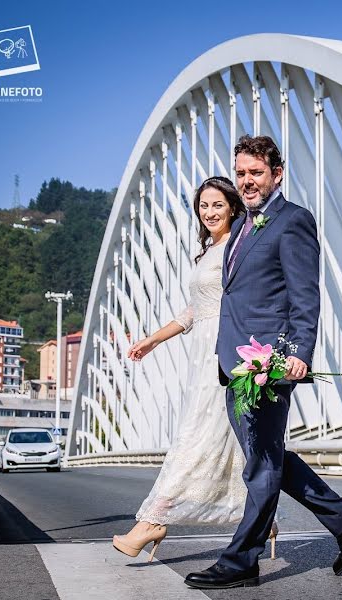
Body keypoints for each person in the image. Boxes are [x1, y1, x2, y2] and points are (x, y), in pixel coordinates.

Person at [184, 135, 342, 590]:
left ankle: (241, 560)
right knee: (265, 456)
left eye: (256, 173)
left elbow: (305, 298)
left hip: (268, 364)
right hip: (234, 365)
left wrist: (294, 355)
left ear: (277, 175)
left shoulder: (292, 221)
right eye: (242, 173)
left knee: (262, 462)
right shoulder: (242, 227)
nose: (247, 181)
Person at [111, 176, 279, 562]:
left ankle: (154, 520)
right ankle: (262, 519)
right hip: (202, 352)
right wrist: (153, 340)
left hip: (226, 350)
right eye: (203, 206)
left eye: (217, 204)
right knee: (225, 439)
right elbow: (194, 310)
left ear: (233, 206)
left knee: (200, 436)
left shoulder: (238, 246)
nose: (209, 212)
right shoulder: (208, 251)